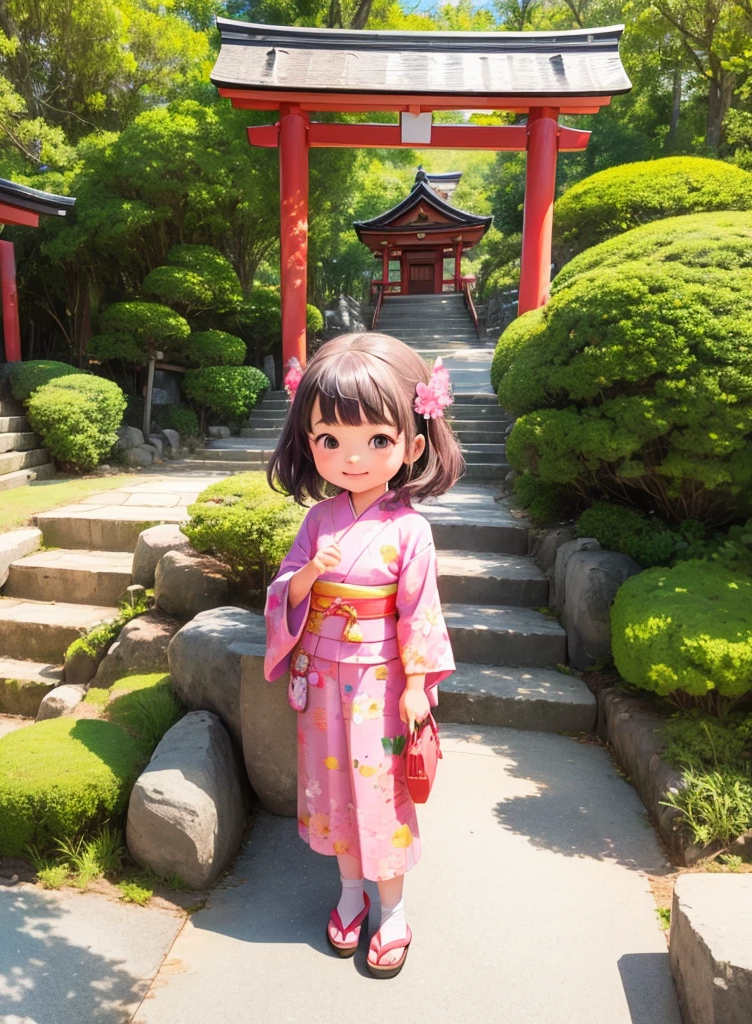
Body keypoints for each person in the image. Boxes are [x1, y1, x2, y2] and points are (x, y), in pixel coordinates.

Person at [264, 332, 464, 979]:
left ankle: (394, 908)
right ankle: (350, 893)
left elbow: (420, 612)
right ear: (309, 442)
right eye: (330, 441)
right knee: (333, 789)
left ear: (412, 443)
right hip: (323, 677)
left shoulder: (411, 529)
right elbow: (284, 590)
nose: (352, 458)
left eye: (376, 441)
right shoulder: (319, 521)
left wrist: (418, 686)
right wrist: (305, 577)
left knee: (380, 790)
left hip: (382, 679)